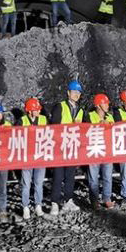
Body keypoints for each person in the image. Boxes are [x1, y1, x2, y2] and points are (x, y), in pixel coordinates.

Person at [49, 80, 84, 215]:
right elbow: (54, 126)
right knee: (58, 176)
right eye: (74, 92)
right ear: (68, 93)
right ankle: (54, 203)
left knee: (70, 175)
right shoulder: (60, 106)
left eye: (78, 92)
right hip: (60, 147)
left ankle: (68, 200)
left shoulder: (80, 110)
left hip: (72, 147)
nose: (76, 94)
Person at [19, 98, 47, 219]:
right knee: (26, 184)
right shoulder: (22, 121)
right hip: (27, 157)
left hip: (40, 155)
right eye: (36, 109)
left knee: (39, 183)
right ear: (29, 111)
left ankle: (38, 205)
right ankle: (25, 206)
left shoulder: (44, 119)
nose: (39, 111)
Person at [87, 94, 115, 209]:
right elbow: (85, 130)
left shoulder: (110, 117)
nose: (107, 105)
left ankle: (107, 198)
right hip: (94, 150)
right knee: (93, 178)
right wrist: (99, 124)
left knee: (107, 176)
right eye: (105, 103)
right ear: (98, 105)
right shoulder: (89, 116)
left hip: (107, 150)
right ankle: (94, 200)